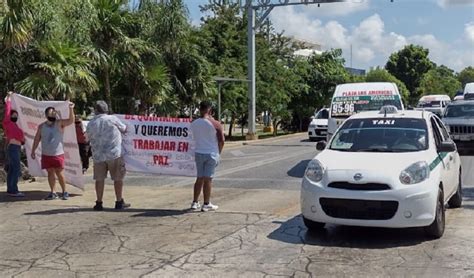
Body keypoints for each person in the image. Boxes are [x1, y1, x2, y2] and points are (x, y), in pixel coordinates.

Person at [86, 100, 129, 211]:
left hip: (98, 155)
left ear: (96, 110)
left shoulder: (91, 123)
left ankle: (99, 203)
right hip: (114, 154)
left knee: (99, 179)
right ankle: (119, 202)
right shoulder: (113, 119)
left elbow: (87, 137)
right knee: (118, 179)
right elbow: (124, 129)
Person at [31, 103, 75, 200]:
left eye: (54, 114)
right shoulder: (41, 126)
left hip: (58, 154)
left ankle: (64, 192)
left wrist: (71, 109)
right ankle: (53, 192)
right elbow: (37, 139)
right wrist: (33, 150)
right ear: (46, 115)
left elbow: (71, 121)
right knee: (50, 172)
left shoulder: (59, 123)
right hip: (46, 154)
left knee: (60, 173)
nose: (53, 115)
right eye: (51, 114)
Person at [190, 101, 225, 212]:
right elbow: (221, 141)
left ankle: (195, 202)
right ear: (209, 110)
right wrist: (218, 153)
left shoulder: (194, 123)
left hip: (199, 152)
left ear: (200, 109)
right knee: (208, 179)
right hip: (211, 153)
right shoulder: (215, 124)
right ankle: (206, 203)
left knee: (199, 178)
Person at [2, 92, 25, 197]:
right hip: (13, 148)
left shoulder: (16, 126)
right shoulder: (8, 123)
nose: (15, 116)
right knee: (16, 168)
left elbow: (22, 138)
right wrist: (9, 99)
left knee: (12, 168)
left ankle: (10, 189)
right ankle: (14, 190)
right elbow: (7, 111)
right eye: (13, 115)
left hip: (16, 148)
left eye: (16, 115)